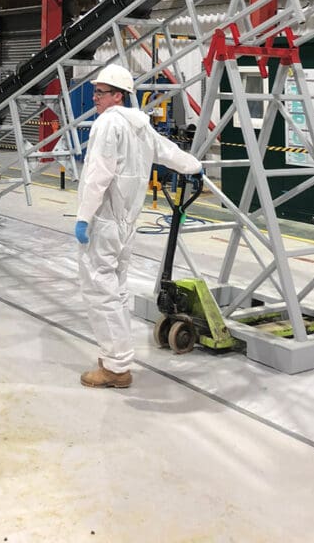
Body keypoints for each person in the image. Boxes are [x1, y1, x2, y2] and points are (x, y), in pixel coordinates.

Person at [75, 63, 203, 389]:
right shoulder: (140, 126)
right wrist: (195, 166)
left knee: (99, 293)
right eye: (95, 92)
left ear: (118, 96)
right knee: (115, 292)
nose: (95, 98)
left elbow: (97, 175)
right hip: (126, 226)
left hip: (104, 224)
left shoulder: (108, 124)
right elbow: (169, 152)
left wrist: (83, 217)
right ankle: (117, 358)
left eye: (100, 93)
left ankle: (116, 367)